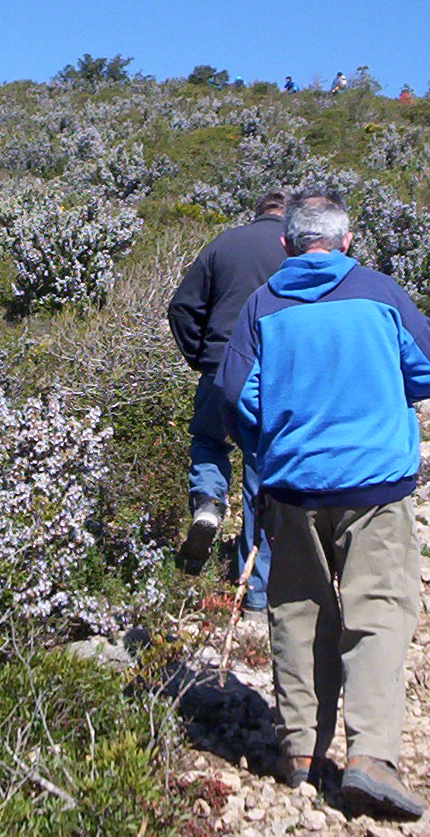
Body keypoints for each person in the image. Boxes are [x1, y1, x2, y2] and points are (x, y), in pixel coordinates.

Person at [216, 190, 430, 821]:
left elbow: (235, 394)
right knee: (378, 613)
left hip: (292, 487)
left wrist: (271, 444)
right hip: (376, 486)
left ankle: (301, 752)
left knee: (298, 611)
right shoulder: (380, 292)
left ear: (287, 244)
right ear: (347, 242)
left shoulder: (263, 305)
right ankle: (370, 756)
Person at [166, 191, 288, 607]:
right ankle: (255, 594)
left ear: (255, 213)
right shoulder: (298, 250)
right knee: (259, 472)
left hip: (220, 366)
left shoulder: (223, 244)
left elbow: (182, 307)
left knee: (208, 439)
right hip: (275, 372)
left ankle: (207, 503)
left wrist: (200, 356)